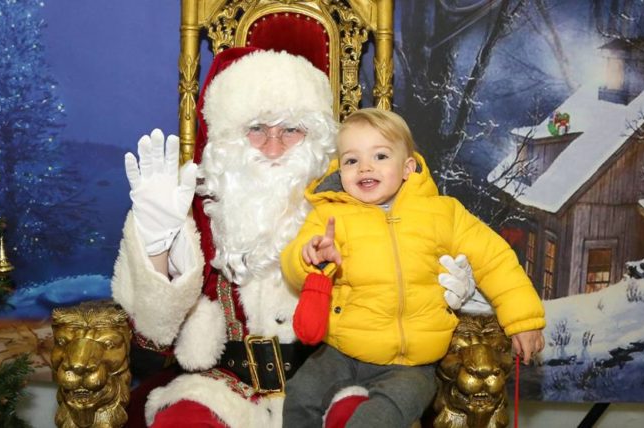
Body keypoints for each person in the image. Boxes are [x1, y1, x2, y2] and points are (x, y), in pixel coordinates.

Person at [111, 49, 476, 427]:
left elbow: (414, 267)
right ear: (227, 140)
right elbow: (151, 345)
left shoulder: (365, 203)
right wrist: (157, 247)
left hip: (337, 378)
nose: (273, 148)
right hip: (223, 386)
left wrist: (451, 291)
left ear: (316, 138)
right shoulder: (197, 212)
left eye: (290, 130)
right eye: (256, 130)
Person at [280, 108, 546, 427]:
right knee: (300, 394)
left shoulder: (442, 213)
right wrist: (310, 256)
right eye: (351, 160)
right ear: (340, 168)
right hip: (343, 348)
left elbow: (495, 259)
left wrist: (523, 319)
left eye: (380, 156)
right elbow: (293, 267)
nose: (364, 166)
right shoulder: (331, 215)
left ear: (407, 167)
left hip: (414, 362)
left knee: (379, 417)